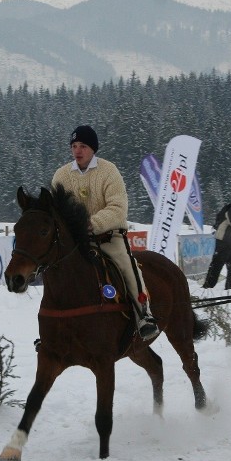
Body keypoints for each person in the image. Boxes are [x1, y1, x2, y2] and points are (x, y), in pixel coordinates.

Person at [52, 125, 159, 340]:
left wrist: (93, 223)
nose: (77, 150)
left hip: (109, 238)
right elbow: (56, 209)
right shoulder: (61, 176)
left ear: (93, 149)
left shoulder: (109, 171)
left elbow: (118, 207)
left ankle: (144, 314)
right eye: (74, 146)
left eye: (82, 146)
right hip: (76, 243)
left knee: (128, 267)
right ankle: (51, 324)